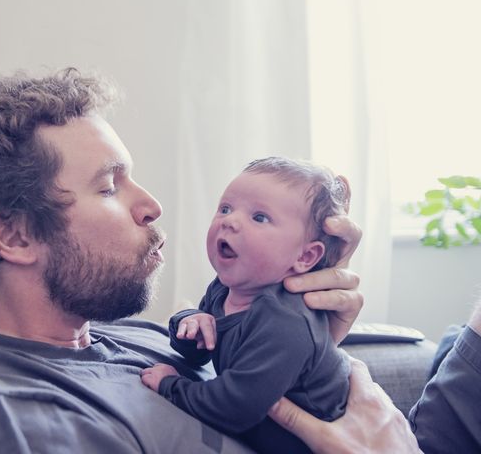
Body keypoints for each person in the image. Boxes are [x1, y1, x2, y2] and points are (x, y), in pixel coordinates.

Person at [0, 68, 481, 453]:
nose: (151, 206)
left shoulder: (97, 334)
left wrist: (311, 343)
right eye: (110, 187)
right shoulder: (25, 423)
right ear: (12, 235)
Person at [140, 158, 352, 453]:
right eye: (225, 208)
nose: (229, 220)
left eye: (260, 217)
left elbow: (232, 408)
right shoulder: (226, 286)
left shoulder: (285, 321)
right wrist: (190, 322)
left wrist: (171, 385)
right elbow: (199, 353)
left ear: (304, 257)